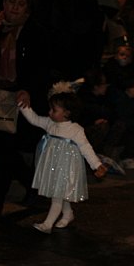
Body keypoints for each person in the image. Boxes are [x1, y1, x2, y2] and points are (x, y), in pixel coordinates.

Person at [0, 0, 52, 222]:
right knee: (4, 152)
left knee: (4, 154)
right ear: (4, 2)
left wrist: (27, 89)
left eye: (21, 3)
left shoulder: (34, 32)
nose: (16, 8)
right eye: (12, 1)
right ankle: (34, 187)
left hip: (18, 100)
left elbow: (40, 68)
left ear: (28, 8)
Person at [19, 89, 107, 234]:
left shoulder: (75, 130)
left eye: (54, 110)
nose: (49, 112)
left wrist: (96, 165)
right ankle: (68, 214)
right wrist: (23, 106)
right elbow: (34, 119)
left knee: (57, 196)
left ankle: (47, 224)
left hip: (66, 168)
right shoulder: (50, 123)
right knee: (59, 192)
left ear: (67, 113)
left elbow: (86, 147)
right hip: (52, 166)